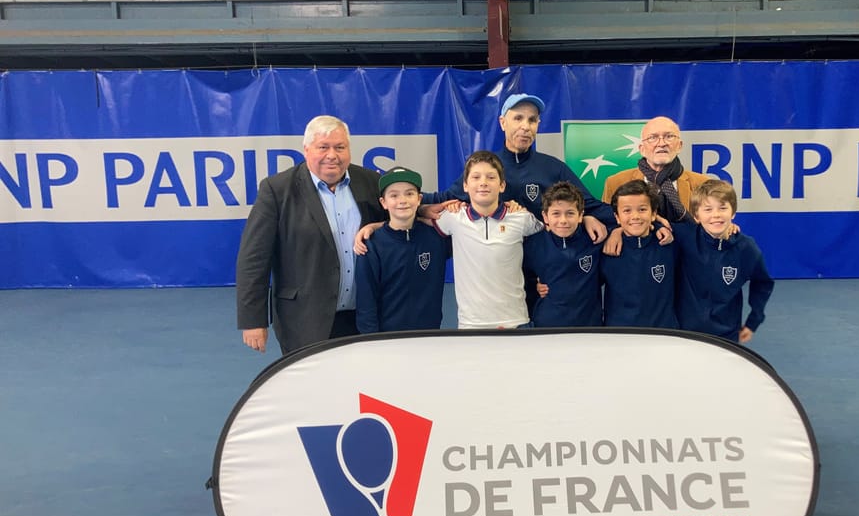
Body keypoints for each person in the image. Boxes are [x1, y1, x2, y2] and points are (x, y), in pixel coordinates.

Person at [236, 114, 386, 355]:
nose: (332, 155)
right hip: (305, 319)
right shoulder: (277, 190)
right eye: (323, 147)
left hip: (365, 316)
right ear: (306, 150)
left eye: (340, 147)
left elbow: (399, 217)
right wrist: (253, 319)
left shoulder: (371, 182)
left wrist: (423, 211)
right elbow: (253, 258)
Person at [423, 93, 615, 240]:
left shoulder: (553, 168)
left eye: (532, 120)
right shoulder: (487, 170)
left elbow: (590, 206)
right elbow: (443, 199)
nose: (525, 126)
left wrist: (618, 225)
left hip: (541, 270)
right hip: (501, 266)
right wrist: (414, 206)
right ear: (502, 123)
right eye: (518, 118)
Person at [433, 150, 544, 329]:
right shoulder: (453, 218)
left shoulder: (521, 218)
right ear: (465, 186)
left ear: (502, 186)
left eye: (491, 177)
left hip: (515, 322)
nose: (483, 182)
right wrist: (422, 210)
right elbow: (410, 218)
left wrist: (547, 278)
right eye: (476, 177)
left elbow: (554, 235)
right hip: (471, 325)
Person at [675, 179, 774, 344]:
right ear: (696, 216)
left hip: (726, 334)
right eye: (708, 209)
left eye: (723, 208)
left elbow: (762, 283)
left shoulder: (746, 248)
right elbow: (650, 225)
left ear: (733, 212)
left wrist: (754, 320)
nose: (716, 215)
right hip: (685, 332)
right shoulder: (684, 238)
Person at [355, 167, 451, 334]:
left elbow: (476, 214)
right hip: (387, 339)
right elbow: (366, 300)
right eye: (394, 195)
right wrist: (370, 340)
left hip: (430, 335)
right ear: (383, 203)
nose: (402, 200)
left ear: (419, 199)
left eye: (409, 194)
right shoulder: (372, 244)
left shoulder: (437, 237)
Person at [600, 180, 679, 329]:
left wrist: (658, 226)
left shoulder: (670, 242)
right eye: (627, 211)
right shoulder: (606, 248)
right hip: (619, 334)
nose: (635, 216)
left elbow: (705, 232)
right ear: (617, 217)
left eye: (642, 209)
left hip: (664, 334)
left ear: (654, 214)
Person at [523, 181, 603, 327]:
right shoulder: (533, 244)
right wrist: (535, 286)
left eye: (570, 213)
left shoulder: (594, 239)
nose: (563, 220)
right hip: (546, 326)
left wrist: (616, 233)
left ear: (580, 215)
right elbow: (523, 279)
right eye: (556, 214)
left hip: (589, 326)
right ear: (545, 216)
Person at [601, 115, 708, 223]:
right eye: (653, 138)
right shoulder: (615, 183)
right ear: (642, 149)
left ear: (679, 146)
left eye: (669, 136)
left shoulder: (702, 183)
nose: (661, 143)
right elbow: (609, 224)